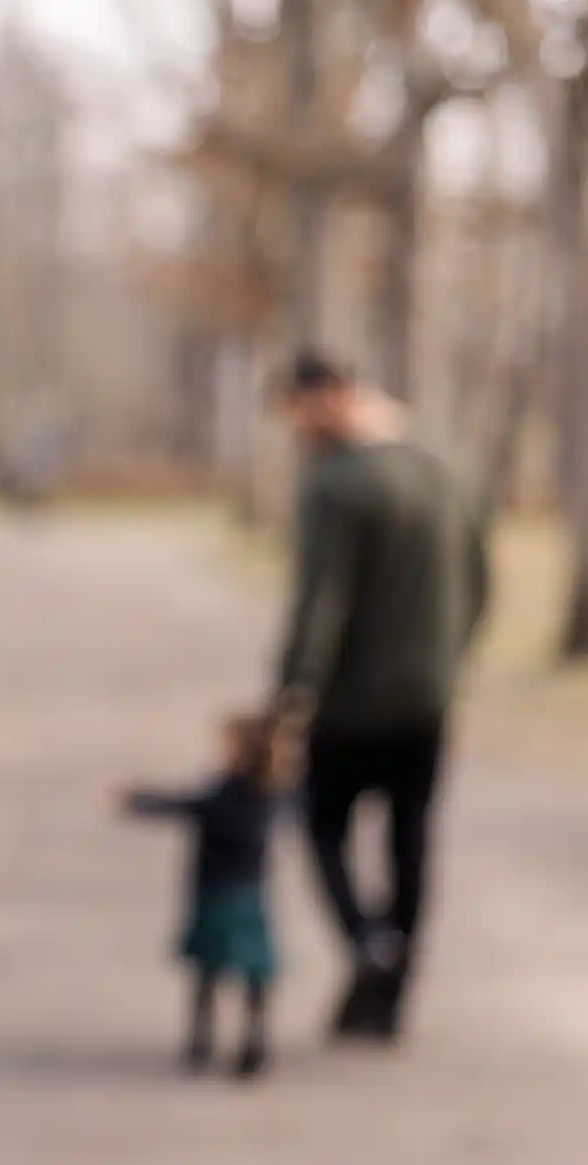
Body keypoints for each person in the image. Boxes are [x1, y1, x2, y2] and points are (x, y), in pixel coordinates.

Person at [272, 352, 491, 1043]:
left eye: (300, 416)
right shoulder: (445, 464)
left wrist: (291, 692)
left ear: (333, 395)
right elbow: (481, 579)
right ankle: (388, 998)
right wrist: (453, 666)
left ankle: (369, 940)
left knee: (321, 825)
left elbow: (319, 602)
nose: (298, 433)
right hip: (430, 694)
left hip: (350, 700)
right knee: (411, 837)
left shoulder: (337, 482)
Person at [112, 711, 297, 1080]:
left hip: (218, 893)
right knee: (253, 974)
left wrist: (135, 801)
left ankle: (204, 1041)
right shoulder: (275, 796)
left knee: (208, 970)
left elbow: (183, 804)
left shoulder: (227, 795)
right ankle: (252, 1041)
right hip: (250, 894)